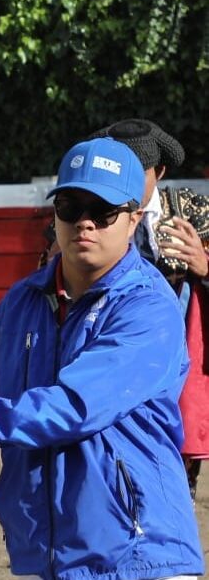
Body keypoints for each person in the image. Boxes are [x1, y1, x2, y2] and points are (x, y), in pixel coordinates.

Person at [0, 137, 204, 579]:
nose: (85, 223)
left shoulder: (149, 307)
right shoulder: (23, 299)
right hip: (47, 557)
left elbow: (75, 406)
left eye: (103, 211)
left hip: (140, 558)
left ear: (135, 218)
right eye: (71, 207)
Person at [88, 119, 209, 499]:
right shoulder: (88, 211)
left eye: (135, 171)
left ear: (160, 172)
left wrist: (206, 268)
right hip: (108, 357)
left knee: (172, 477)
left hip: (177, 364)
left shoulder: (193, 211)